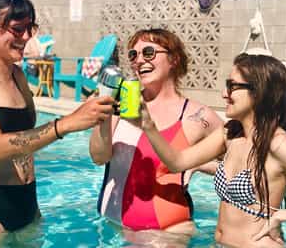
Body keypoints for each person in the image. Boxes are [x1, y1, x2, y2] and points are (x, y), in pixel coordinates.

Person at [131, 53, 286, 247]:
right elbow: (177, 162)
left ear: (258, 92)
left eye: (232, 86)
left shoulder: (276, 144)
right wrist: (148, 126)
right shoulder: (230, 134)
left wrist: (281, 216)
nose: (224, 94)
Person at [0, 0, 114, 239]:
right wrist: (64, 124)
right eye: (17, 30)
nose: (26, 38)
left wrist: (88, 112)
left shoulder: (18, 75)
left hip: (27, 206)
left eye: (29, 29)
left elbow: (26, 136)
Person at [89, 29, 223, 240]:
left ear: (174, 59)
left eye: (149, 52)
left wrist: (197, 163)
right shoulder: (121, 107)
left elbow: (241, 161)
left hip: (166, 233)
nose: (139, 60)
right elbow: (98, 157)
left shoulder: (196, 117)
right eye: (133, 55)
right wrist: (103, 113)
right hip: (112, 224)